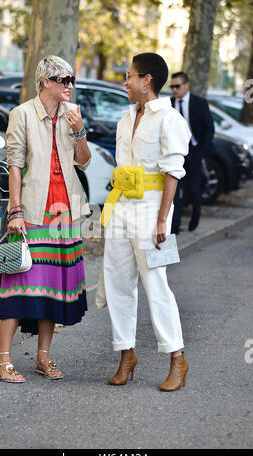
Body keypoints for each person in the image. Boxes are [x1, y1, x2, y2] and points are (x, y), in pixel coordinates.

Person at [0, 55, 91, 383]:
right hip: (34, 212)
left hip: (67, 213)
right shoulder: (22, 114)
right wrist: (15, 210)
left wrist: (79, 132)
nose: (70, 86)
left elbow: (84, 162)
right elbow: (15, 164)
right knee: (18, 285)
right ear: (46, 81)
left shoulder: (71, 115)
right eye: (64, 80)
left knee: (53, 289)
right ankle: (2, 359)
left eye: (72, 80)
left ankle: (43, 358)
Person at [97, 53, 191, 391]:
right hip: (121, 207)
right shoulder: (125, 119)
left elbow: (172, 174)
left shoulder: (170, 119)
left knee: (156, 286)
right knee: (118, 282)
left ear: (146, 80)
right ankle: (126, 355)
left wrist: (162, 219)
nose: (125, 82)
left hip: (152, 211)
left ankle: (177, 359)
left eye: (129, 76)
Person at [170, 72, 214, 233]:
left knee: (194, 189)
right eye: (172, 87)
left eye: (177, 86)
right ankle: (174, 226)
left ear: (186, 85)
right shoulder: (168, 104)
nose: (174, 90)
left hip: (194, 151)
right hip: (175, 154)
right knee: (174, 190)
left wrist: (201, 152)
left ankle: (195, 217)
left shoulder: (199, 103)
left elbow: (209, 128)